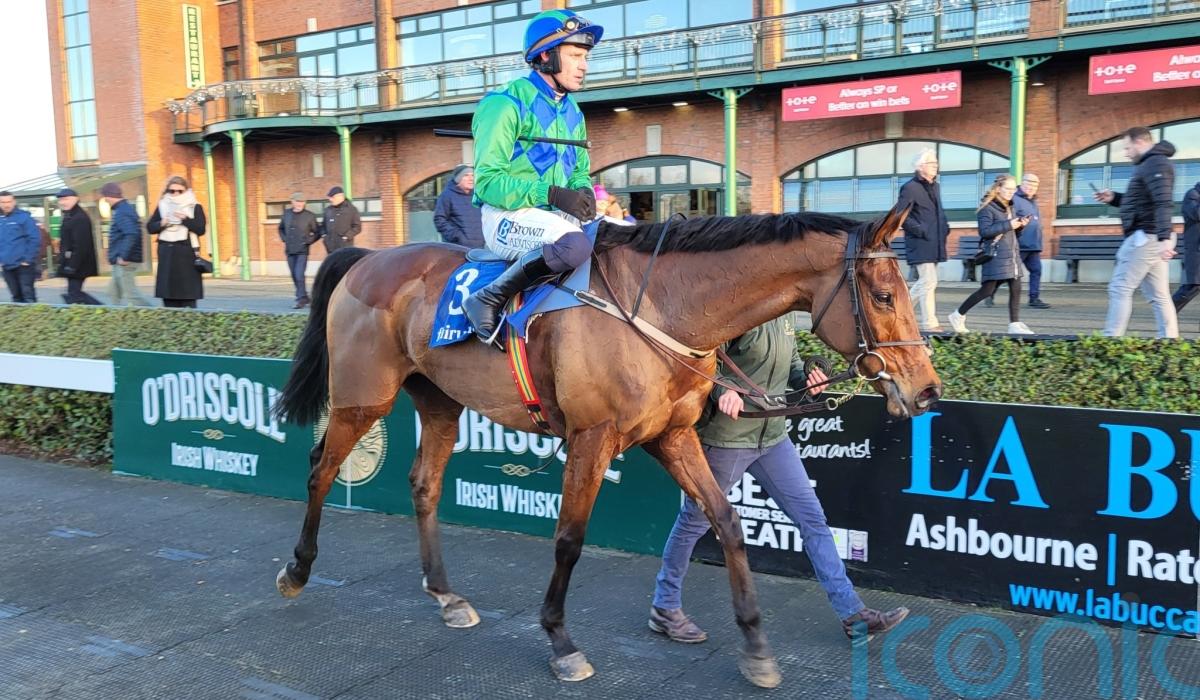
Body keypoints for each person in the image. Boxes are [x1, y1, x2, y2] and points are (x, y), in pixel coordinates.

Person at [648, 316, 909, 646]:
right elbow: (704, 363)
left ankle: (853, 615)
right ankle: (664, 605)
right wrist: (722, 389)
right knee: (693, 522)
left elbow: (793, 366)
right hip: (729, 440)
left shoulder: (783, 315)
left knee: (812, 519)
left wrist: (809, 380)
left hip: (773, 439)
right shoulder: (740, 312)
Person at [462, 9, 603, 344]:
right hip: (505, 217)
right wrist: (551, 194)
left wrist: (582, 191)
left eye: (585, 57)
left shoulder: (574, 111)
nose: (584, 65)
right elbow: (488, 183)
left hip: (553, 216)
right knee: (573, 245)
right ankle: (487, 298)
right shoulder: (503, 104)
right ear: (545, 56)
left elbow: (578, 170)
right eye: (575, 56)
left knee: (618, 237)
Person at [1094, 127, 1178, 339]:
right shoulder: (1149, 164)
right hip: (1152, 236)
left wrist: (1164, 238)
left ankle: (1111, 340)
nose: (1126, 153)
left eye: (1127, 147)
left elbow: (1163, 202)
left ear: (1140, 142)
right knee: (1158, 295)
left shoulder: (1156, 164)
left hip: (1146, 238)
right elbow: (1142, 202)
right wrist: (1114, 198)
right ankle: (1169, 340)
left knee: (1120, 288)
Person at [947, 175, 1035, 335]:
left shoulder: (1009, 207)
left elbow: (1012, 234)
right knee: (987, 290)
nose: (1011, 192)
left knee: (1016, 286)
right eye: (1007, 188)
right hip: (996, 256)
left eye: (1013, 189)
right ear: (998, 189)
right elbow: (985, 231)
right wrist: (1009, 224)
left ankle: (1014, 324)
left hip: (1011, 255)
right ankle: (957, 315)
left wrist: (1020, 226)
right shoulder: (987, 208)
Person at [897, 149, 949, 332]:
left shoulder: (935, 186)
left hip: (935, 241)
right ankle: (929, 323)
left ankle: (900, 311)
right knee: (928, 281)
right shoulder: (910, 188)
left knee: (928, 282)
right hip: (920, 241)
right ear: (921, 166)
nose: (936, 166)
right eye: (931, 163)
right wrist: (921, 230)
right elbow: (901, 215)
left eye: (936, 163)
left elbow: (938, 212)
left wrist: (945, 227)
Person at [989, 172, 1049, 309]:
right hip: (1018, 244)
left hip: (1033, 245)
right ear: (1022, 183)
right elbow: (1008, 218)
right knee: (1007, 273)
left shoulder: (1033, 201)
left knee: (1036, 270)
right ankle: (989, 293)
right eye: (1029, 184)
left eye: (1035, 185)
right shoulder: (1014, 199)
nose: (1031, 187)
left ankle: (1034, 298)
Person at [147, 176, 206, 308]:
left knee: (188, 299)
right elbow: (150, 227)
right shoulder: (162, 205)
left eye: (180, 191)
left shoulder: (194, 206)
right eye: (172, 191)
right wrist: (162, 223)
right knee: (168, 299)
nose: (176, 194)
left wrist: (185, 219)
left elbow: (200, 229)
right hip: (167, 257)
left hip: (186, 257)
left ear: (186, 191)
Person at [101, 181, 152, 307]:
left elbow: (131, 234)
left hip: (125, 261)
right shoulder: (122, 209)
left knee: (131, 295)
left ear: (109, 196)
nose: (105, 200)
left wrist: (124, 256)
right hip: (121, 260)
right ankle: (114, 315)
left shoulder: (122, 211)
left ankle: (156, 314)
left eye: (105, 197)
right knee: (113, 292)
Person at [55, 188, 101, 305]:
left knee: (74, 294)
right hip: (73, 263)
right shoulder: (69, 215)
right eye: (60, 200)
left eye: (66, 199)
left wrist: (72, 266)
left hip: (78, 265)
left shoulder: (79, 217)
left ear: (75, 199)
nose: (62, 202)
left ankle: (102, 310)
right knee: (73, 294)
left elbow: (81, 245)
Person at [279, 192, 320, 309]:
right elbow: (281, 229)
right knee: (294, 275)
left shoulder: (310, 216)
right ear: (292, 202)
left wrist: (308, 241)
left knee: (299, 274)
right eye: (297, 201)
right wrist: (285, 239)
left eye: (302, 202)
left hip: (302, 250)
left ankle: (300, 299)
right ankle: (304, 297)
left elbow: (317, 232)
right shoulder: (286, 214)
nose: (300, 204)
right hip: (290, 250)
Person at [0, 190, 41, 303]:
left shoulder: (24, 217)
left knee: (28, 296)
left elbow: (34, 239)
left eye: (9, 201)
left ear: (14, 202)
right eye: (3, 202)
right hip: (7, 265)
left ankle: (33, 315)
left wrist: (27, 260)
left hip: (23, 265)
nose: (6, 205)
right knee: (16, 296)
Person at [433, 165, 485, 249]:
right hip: (456, 249)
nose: (471, 179)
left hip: (479, 248)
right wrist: (456, 236)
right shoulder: (447, 195)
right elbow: (439, 219)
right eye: (466, 175)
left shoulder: (477, 196)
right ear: (458, 179)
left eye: (473, 175)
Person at [1173, 180, 1199, 316]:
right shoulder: (1192, 195)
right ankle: (1167, 313)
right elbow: (1197, 214)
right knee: (1191, 287)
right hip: (1196, 251)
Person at [321, 186, 361, 254]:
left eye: (332, 197)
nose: (330, 200)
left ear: (340, 196)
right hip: (330, 248)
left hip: (345, 248)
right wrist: (324, 236)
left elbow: (357, 227)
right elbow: (323, 226)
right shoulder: (328, 210)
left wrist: (346, 237)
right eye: (329, 198)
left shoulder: (351, 209)